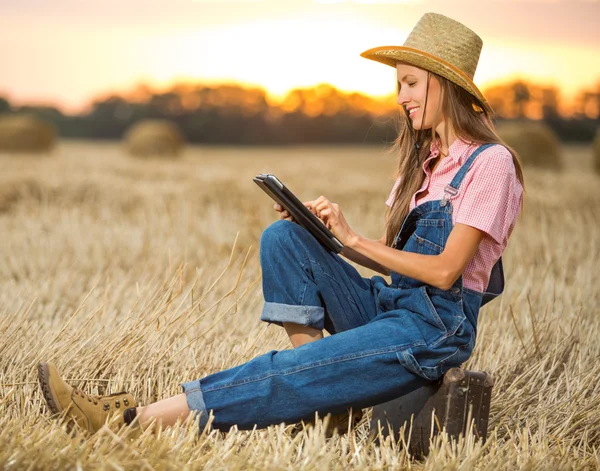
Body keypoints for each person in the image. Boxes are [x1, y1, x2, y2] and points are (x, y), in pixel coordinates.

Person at [37, 12, 525, 437]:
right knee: (285, 237)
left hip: (433, 329)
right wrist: (333, 235)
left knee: (288, 371)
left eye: (410, 83)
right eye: (398, 84)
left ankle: (132, 422)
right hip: (391, 305)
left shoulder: (490, 164)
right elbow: (398, 264)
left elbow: (443, 272)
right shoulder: (423, 163)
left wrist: (353, 239)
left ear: (447, 84)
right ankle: (329, 405)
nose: (400, 97)